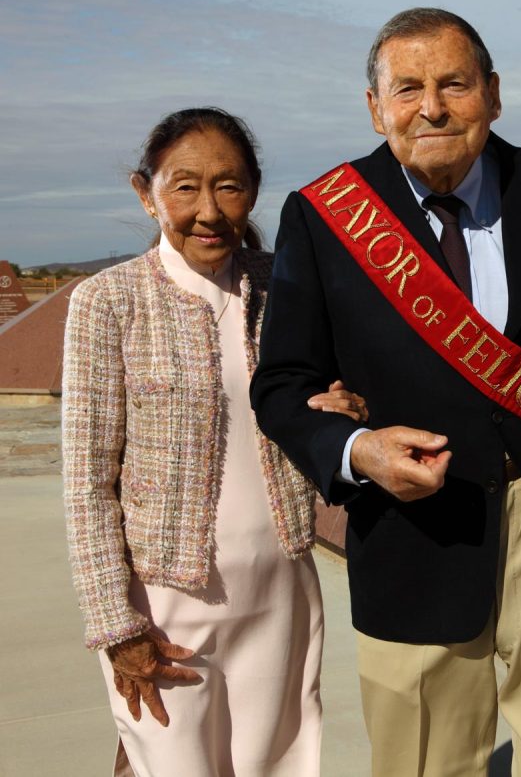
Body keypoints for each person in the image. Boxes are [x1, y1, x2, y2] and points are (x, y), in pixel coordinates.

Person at [250, 8, 521, 776]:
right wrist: (356, 450)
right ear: (374, 107)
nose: (432, 106)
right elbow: (281, 385)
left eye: (454, 83)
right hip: (414, 535)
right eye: (406, 88)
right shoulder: (323, 216)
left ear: (494, 94)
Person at [62, 108, 369, 776]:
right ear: (147, 193)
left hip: (281, 586)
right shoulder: (107, 302)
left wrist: (341, 409)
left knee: (278, 763)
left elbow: (328, 400)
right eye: (185, 187)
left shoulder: (284, 286)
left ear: (253, 192)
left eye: (228, 187)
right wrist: (118, 626)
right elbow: (86, 483)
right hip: (166, 605)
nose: (209, 210)